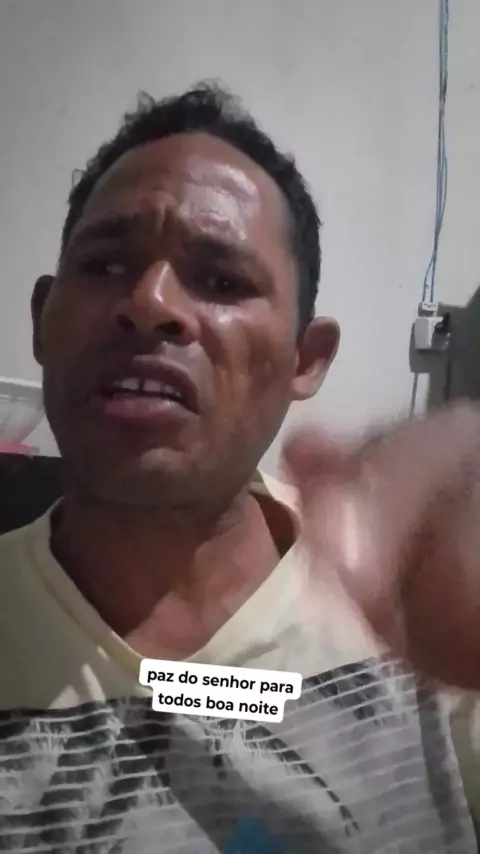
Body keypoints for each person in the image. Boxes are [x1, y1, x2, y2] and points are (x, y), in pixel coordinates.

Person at [0, 82, 479, 853]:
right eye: (106, 264)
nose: (149, 302)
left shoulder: (421, 617)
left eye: (222, 281)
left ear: (306, 359)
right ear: (42, 321)